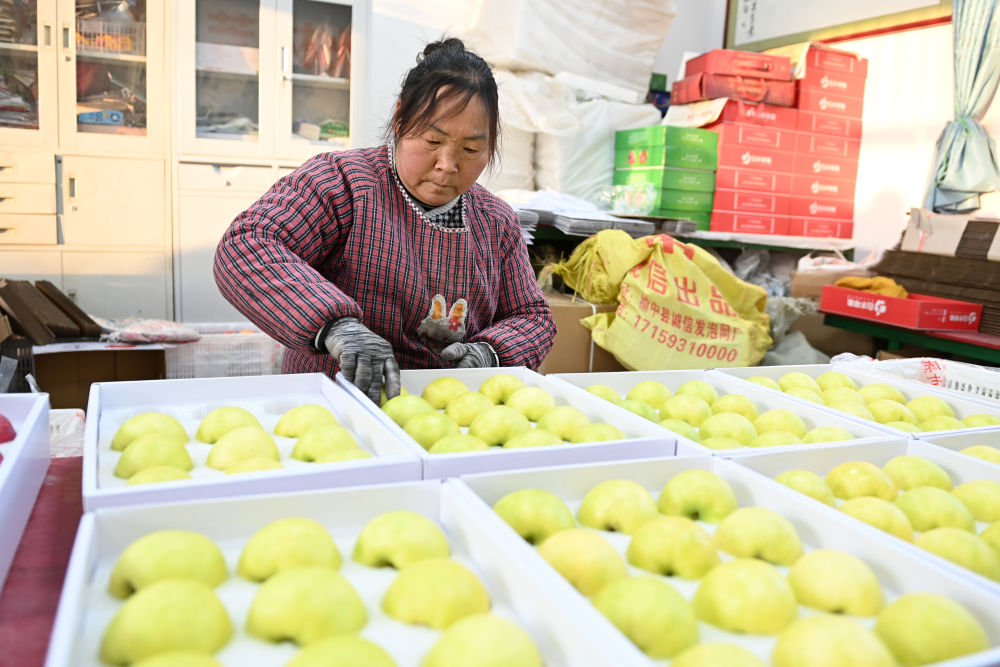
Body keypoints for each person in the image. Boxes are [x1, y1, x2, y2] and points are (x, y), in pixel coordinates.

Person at [214, 38, 556, 403]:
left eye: (471, 149)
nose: (447, 165)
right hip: (332, 403)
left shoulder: (496, 223)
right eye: (432, 141)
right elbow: (247, 244)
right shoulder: (341, 183)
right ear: (399, 118)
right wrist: (336, 326)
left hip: (446, 416)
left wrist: (490, 352)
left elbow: (533, 316)